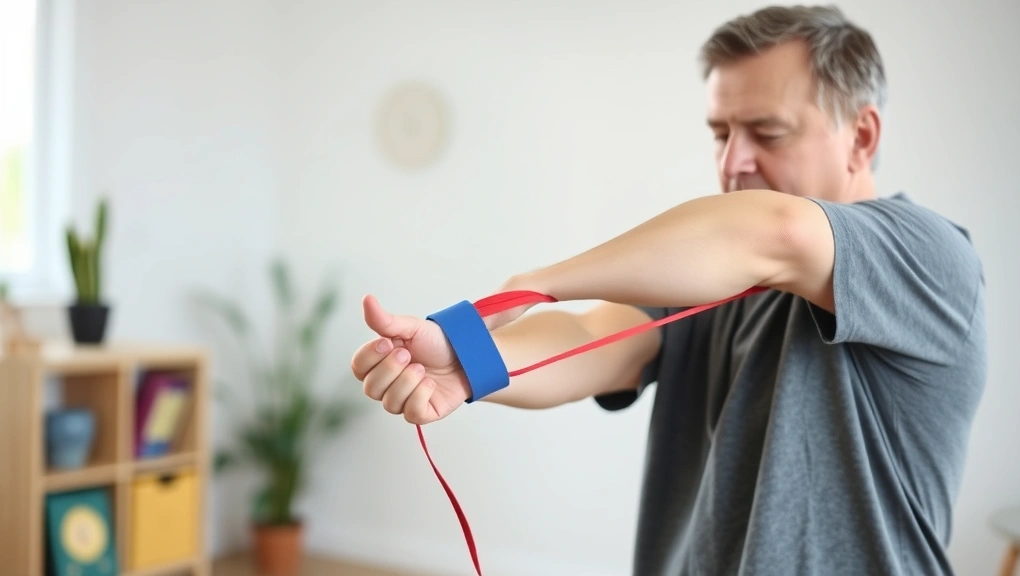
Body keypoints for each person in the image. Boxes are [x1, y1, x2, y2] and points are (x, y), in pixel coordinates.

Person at [350, 5, 987, 575]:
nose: (733, 160)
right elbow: (596, 337)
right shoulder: (709, 277)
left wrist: (533, 286)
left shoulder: (929, 255)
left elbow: (777, 233)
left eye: (767, 132)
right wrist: (468, 363)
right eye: (720, 132)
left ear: (863, 137)